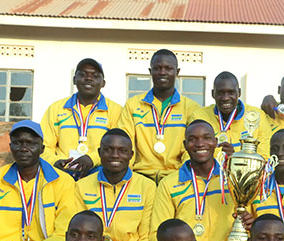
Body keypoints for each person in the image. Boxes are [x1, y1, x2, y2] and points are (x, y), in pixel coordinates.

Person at [151, 120, 234, 241]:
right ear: (185, 144)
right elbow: (157, 232)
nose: (200, 143)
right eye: (193, 139)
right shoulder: (169, 184)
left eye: (206, 138)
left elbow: (250, 221)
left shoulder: (233, 178)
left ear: (215, 142)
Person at [73, 128, 155, 241]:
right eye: (108, 150)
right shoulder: (81, 187)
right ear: (99, 153)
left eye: (122, 151)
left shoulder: (147, 187)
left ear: (131, 155)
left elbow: (146, 238)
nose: (115, 155)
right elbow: (79, 233)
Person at [119, 49, 200, 182]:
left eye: (168, 68)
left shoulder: (191, 108)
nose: (163, 72)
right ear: (150, 72)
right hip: (140, 176)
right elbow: (126, 144)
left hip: (176, 177)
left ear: (177, 72)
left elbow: (191, 148)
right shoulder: (133, 105)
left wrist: (182, 176)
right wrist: (127, 177)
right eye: (157, 68)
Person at [40, 58, 122, 179]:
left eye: (95, 75)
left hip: (99, 171)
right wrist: (55, 161)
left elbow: (119, 147)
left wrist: (92, 159)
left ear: (103, 83)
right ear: (74, 80)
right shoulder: (56, 109)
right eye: (83, 74)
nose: (88, 78)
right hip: (62, 171)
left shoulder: (116, 111)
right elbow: (44, 145)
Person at [192, 71, 271, 160]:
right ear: (213, 94)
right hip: (210, 173)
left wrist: (235, 157)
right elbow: (190, 154)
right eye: (220, 93)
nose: (226, 98)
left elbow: (264, 157)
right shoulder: (199, 117)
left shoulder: (257, 116)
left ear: (239, 93)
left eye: (231, 92)